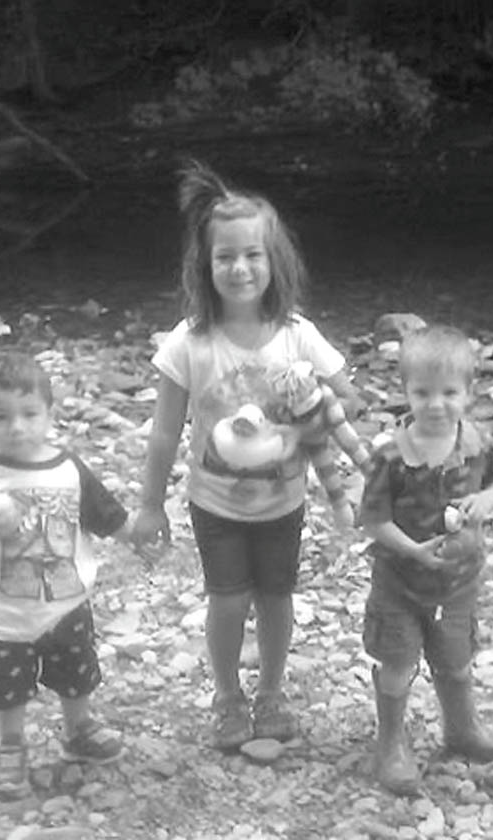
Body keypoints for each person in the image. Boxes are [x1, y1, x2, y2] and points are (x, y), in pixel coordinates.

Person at [131, 160, 360, 750]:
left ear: (273, 261)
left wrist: (314, 390)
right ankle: (228, 694)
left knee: (278, 600)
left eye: (252, 255)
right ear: (205, 266)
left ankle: (273, 691)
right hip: (216, 504)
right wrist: (150, 506)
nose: (239, 267)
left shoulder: (297, 333)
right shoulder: (190, 341)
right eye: (225, 256)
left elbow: (350, 402)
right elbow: (162, 434)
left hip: (283, 502)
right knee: (228, 601)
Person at [0, 352, 130, 798]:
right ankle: (11, 745)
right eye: (1, 416)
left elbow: (103, 514)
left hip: (66, 600)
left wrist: (138, 536)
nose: (17, 426)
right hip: (4, 609)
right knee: (7, 686)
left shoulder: (69, 468)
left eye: (30, 414)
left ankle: (78, 729)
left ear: (51, 413)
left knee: (77, 670)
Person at [358, 325, 493, 796]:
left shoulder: (477, 443)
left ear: (469, 393)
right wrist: (410, 548)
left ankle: (461, 727)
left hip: (459, 581)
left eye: (449, 392)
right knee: (397, 664)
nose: (435, 404)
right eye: (422, 392)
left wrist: (487, 502)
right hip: (400, 582)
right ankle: (391, 743)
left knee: (456, 660)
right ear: (404, 392)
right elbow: (373, 519)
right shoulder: (390, 455)